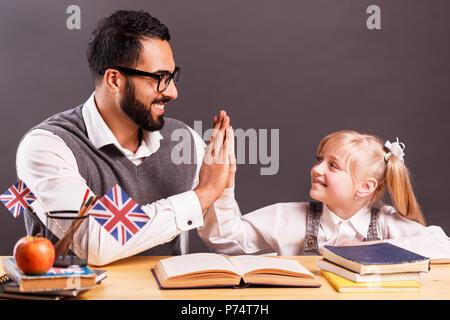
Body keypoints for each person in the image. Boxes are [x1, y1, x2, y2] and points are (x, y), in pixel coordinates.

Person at [16, 10, 235, 266]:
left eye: (172, 77)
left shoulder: (185, 141)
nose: (173, 92)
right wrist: (204, 193)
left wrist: (224, 185)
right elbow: (96, 241)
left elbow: (227, 239)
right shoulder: (47, 146)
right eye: (159, 79)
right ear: (114, 80)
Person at [197, 130, 450, 261]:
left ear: (365, 187)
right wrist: (223, 185)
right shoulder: (289, 217)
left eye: (333, 166)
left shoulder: (385, 222)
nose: (316, 169)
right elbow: (225, 239)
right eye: (320, 160)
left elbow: (442, 245)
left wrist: (372, 249)